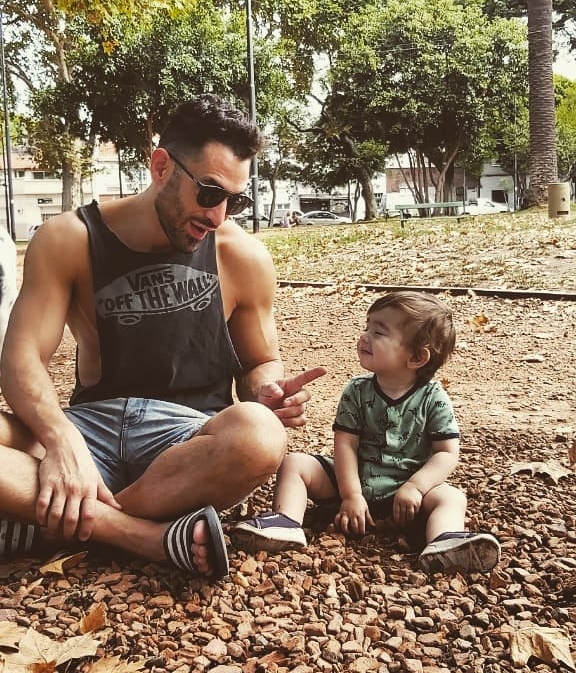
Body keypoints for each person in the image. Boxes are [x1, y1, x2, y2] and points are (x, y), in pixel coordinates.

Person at [0, 94, 325, 580]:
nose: (218, 216)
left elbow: (260, 361)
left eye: (235, 201)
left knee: (261, 435)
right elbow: (21, 360)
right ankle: (142, 535)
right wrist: (62, 442)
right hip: (89, 430)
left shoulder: (244, 256)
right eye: (210, 194)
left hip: (188, 441)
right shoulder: (68, 239)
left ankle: (61, 520)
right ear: (160, 166)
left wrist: (266, 391)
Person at [234, 291, 501, 575]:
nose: (364, 336)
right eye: (367, 327)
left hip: (407, 493)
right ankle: (286, 522)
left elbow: (446, 453)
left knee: (452, 497)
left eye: (378, 332)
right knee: (296, 463)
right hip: (353, 480)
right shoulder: (357, 391)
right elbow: (345, 445)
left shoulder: (433, 398)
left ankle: (444, 540)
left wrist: (416, 486)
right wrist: (351, 495)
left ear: (417, 357)